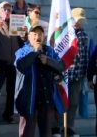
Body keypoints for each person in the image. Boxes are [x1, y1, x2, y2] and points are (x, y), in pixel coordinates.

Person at [14, 25, 65, 137]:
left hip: (47, 99)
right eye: (35, 34)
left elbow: (61, 66)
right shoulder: (22, 51)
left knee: (46, 132)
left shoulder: (49, 51)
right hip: (28, 100)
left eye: (40, 34)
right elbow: (20, 66)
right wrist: (34, 52)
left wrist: (49, 61)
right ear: (29, 36)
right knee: (27, 133)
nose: (38, 37)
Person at [0, 1, 25, 123]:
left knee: (12, 90)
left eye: (9, 9)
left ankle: (9, 114)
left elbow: (22, 43)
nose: (7, 11)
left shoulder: (16, 24)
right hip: (0, 62)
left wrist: (24, 33)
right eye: (4, 9)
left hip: (13, 63)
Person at [52, 7, 89, 137]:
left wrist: (85, 74)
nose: (79, 23)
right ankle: (56, 127)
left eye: (81, 20)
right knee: (60, 101)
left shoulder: (84, 34)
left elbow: (85, 56)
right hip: (64, 74)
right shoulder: (64, 33)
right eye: (77, 20)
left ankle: (69, 127)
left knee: (73, 103)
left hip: (77, 75)